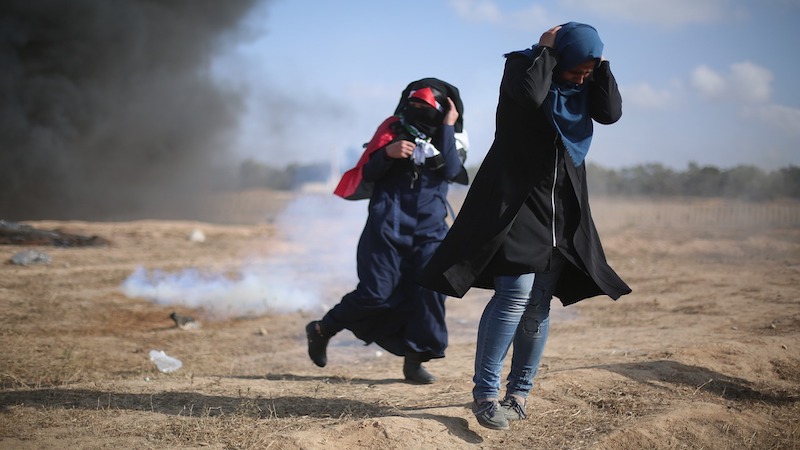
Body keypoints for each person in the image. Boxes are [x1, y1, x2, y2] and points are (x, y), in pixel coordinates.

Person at [418, 23, 632, 429]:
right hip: (515, 203)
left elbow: (610, 113)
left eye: (589, 71)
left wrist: (598, 67)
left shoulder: (586, 81)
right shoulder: (522, 67)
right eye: (577, 69)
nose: (582, 78)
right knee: (514, 294)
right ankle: (485, 395)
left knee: (537, 306)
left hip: (563, 208)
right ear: (559, 56)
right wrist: (548, 52)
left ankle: (519, 394)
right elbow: (532, 95)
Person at [305, 78, 468, 384]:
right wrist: (388, 154)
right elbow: (367, 171)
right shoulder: (392, 129)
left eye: (426, 106)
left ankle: (415, 360)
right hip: (387, 228)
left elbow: (450, 170)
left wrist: (447, 125)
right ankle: (321, 329)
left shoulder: (455, 138)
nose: (417, 110)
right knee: (376, 294)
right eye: (413, 104)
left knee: (427, 292)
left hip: (430, 231)